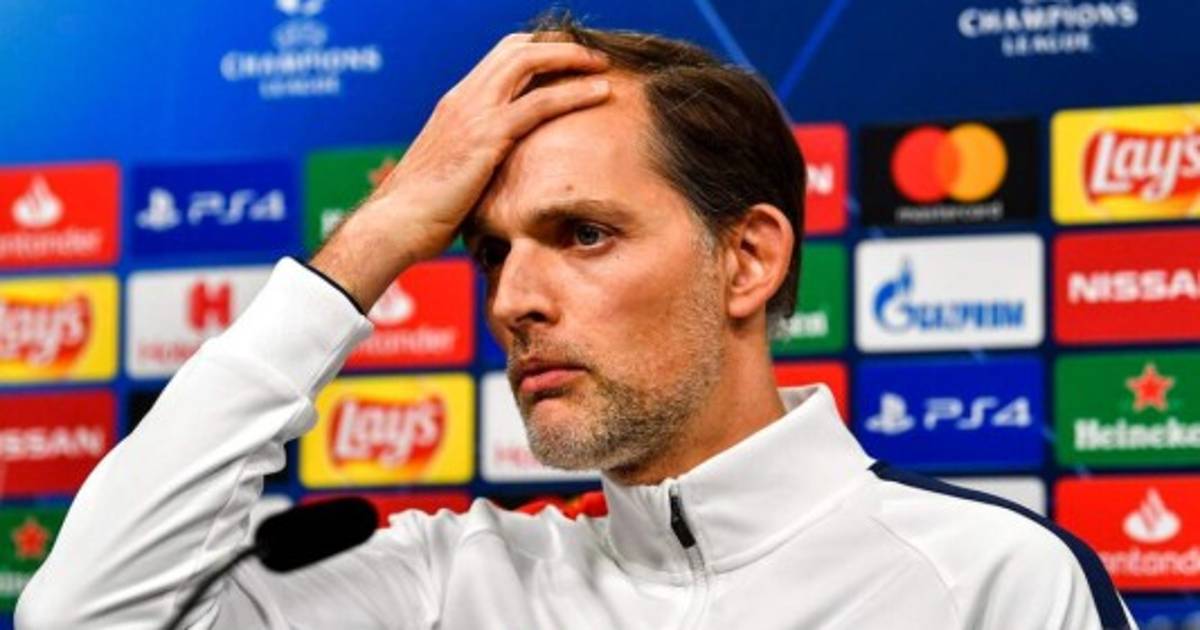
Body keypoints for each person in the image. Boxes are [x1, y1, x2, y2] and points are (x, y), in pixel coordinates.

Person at [17, 14, 1136, 630]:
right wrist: (382, 232)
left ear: (748, 260)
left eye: (585, 233)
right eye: (491, 250)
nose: (513, 298)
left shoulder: (992, 581)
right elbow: (83, 619)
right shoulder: (451, 586)